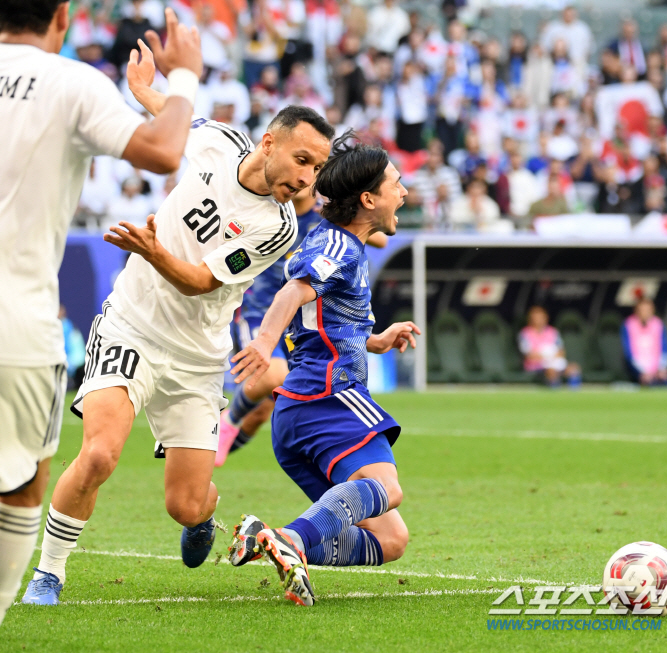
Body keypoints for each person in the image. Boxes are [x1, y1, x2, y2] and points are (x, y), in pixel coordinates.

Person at [21, 39, 333, 607]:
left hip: (197, 357)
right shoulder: (219, 141)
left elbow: (200, 281)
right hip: (131, 326)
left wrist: (150, 248)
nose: (307, 180)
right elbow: (171, 123)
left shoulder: (278, 228)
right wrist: (147, 91)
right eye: (303, 161)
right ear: (269, 143)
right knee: (98, 454)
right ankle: (50, 573)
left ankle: (203, 519)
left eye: (316, 170)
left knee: (185, 505)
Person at [0, 0, 202, 624]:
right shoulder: (71, 81)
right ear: (62, 17)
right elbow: (165, 151)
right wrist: (185, 77)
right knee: (25, 483)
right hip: (17, 324)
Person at [227, 133, 419, 607]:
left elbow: (321, 322)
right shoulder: (339, 246)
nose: (405, 192)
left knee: (390, 540)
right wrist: (264, 343)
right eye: (397, 183)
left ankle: (274, 539)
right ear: (369, 198)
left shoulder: (338, 242)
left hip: (298, 410)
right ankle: (292, 540)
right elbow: (292, 293)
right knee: (387, 489)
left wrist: (375, 339)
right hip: (327, 397)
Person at [215, 186, 387, 465]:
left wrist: (339, 214)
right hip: (260, 311)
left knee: (263, 411)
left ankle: (207, 459)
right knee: (272, 377)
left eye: (311, 169)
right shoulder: (267, 213)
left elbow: (379, 239)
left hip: (298, 323)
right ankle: (229, 420)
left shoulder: (325, 217)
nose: (301, 178)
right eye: (299, 164)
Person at [518, 306, 581, 388]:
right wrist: (546, 356)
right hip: (536, 366)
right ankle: (554, 390)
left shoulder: (553, 332)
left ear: (546, 318)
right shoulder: (525, 333)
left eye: (540, 317)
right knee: (551, 371)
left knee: (574, 368)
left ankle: (574, 392)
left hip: (554, 363)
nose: (538, 320)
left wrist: (551, 357)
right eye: (535, 318)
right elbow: (529, 355)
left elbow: (561, 352)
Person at [621, 298, 667, 386]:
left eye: (647, 310)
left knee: (666, 381)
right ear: (636, 311)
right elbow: (629, 354)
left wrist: (661, 369)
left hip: (657, 370)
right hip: (638, 370)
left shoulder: (658, 324)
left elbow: (665, 348)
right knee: (648, 383)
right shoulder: (628, 325)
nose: (644, 313)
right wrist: (643, 372)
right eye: (642, 310)